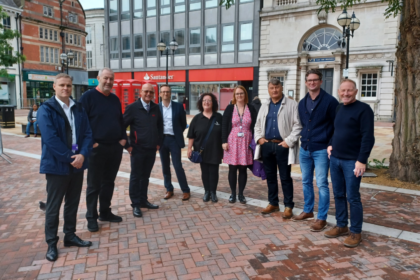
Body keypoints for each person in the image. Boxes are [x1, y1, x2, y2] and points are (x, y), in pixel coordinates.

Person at [37, 73, 93, 262]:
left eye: (68, 85)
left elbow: (87, 133)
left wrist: (83, 155)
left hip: (77, 163)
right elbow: (50, 139)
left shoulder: (78, 108)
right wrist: (72, 158)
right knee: (53, 207)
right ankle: (52, 243)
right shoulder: (46, 109)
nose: (65, 89)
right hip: (57, 166)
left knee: (72, 203)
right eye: (62, 85)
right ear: (54, 86)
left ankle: (70, 236)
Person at [324, 79, 375, 248]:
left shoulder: (364, 110)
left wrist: (362, 160)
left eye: (349, 91)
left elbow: (368, 137)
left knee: (353, 197)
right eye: (343, 91)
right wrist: (330, 144)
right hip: (336, 159)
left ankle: (355, 231)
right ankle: (341, 225)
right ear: (339, 91)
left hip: (352, 161)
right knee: (338, 194)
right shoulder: (339, 108)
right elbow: (336, 130)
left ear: (356, 91)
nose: (346, 94)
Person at [79, 67, 127, 232]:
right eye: (105, 78)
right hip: (96, 148)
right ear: (98, 78)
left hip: (114, 147)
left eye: (111, 79)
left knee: (109, 182)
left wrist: (123, 139)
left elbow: (120, 120)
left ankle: (105, 212)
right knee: (94, 185)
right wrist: (91, 143)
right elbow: (81, 123)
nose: (108, 82)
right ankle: (91, 217)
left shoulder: (114, 99)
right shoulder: (88, 97)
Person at [293, 69, 339, 232]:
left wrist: (331, 143)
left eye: (315, 80)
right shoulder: (302, 102)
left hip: (321, 149)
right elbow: (303, 124)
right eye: (309, 80)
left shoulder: (330, 102)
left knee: (321, 183)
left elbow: (336, 126)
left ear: (320, 81)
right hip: (305, 147)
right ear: (306, 82)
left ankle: (322, 218)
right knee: (305, 181)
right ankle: (308, 210)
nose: (312, 82)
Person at [254, 78, 302, 218]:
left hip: (283, 145)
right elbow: (257, 125)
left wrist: (289, 141)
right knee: (270, 176)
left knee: (285, 177)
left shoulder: (292, 104)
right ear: (268, 89)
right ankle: (273, 203)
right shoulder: (264, 105)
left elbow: (297, 125)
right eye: (271, 88)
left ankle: (288, 205)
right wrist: (259, 139)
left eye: (277, 87)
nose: (274, 90)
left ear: (281, 88)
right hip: (267, 145)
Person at [124, 83, 163, 218]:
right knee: (136, 177)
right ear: (140, 92)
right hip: (137, 149)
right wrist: (127, 145)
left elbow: (160, 127)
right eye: (146, 92)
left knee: (145, 176)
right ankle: (135, 204)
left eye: (151, 92)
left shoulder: (156, 108)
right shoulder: (132, 108)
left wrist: (159, 143)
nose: (148, 94)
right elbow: (122, 126)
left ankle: (143, 200)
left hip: (151, 149)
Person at [222, 86, 257, 204]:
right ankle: (233, 193)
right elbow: (224, 125)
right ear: (234, 96)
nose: (239, 96)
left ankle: (241, 193)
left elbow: (256, 125)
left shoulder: (251, 108)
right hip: (232, 142)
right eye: (237, 94)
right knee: (232, 168)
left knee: (243, 169)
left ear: (245, 94)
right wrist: (224, 141)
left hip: (246, 142)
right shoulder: (230, 108)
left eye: (241, 93)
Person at [187, 93, 223, 203]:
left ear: (213, 103)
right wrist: (189, 148)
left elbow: (225, 133)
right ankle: (207, 191)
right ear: (201, 103)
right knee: (205, 172)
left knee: (214, 171)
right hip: (201, 150)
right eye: (204, 100)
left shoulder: (219, 117)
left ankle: (213, 192)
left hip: (215, 149)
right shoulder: (197, 118)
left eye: (209, 100)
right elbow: (191, 135)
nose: (206, 102)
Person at [158, 85, 191, 200]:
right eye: (163, 92)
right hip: (162, 140)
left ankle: (185, 190)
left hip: (174, 140)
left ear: (170, 93)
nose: (166, 94)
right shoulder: (156, 108)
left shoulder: (178, 106)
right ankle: (169, 189)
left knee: (177, 166)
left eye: (167, 92)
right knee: (165, 166)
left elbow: (183, 123)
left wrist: (176, 133)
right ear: (160, 94)